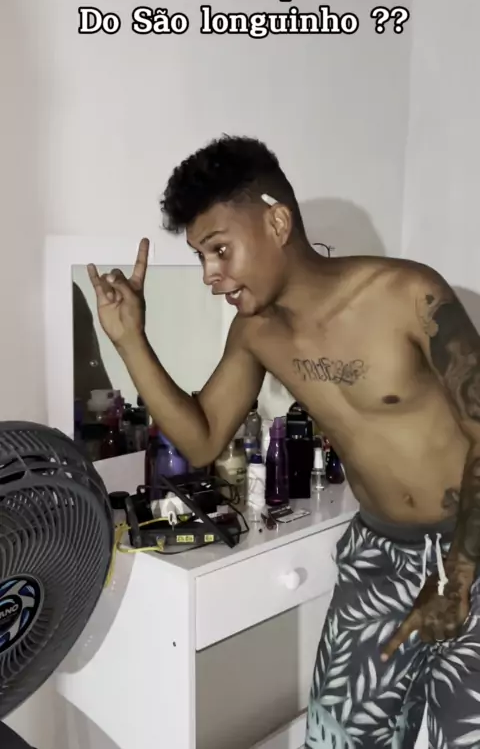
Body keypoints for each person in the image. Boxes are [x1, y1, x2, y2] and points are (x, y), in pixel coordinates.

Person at [88, 135, 480, 748]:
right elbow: (201, 439)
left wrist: (457, 581)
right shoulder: (256, 334)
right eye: (199, 257)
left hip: (470, 548)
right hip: (379, 554)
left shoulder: (410, 296)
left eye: (220, 249)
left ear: (277, 222)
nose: (210, 275)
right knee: (336, 736)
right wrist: (129, 340)